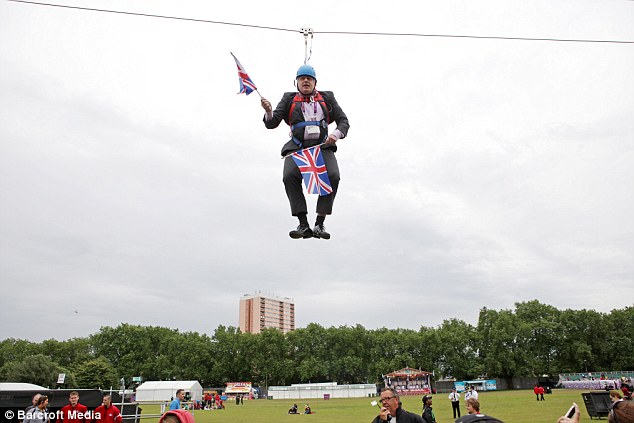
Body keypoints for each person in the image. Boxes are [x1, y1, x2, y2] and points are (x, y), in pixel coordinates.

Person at [261, 64, 350, 240]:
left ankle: (319, 223)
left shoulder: (327, 97)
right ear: (297, 82)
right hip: (297, 147)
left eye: (309, 78)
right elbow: (272, 123)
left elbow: (343, 121)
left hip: (322, 147)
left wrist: (335, 135)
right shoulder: (289, 98)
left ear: (315, 82)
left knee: (333, 176)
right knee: (289, 176)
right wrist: (269, 111)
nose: (306, 81)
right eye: (302, 78)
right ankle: (303, 224)